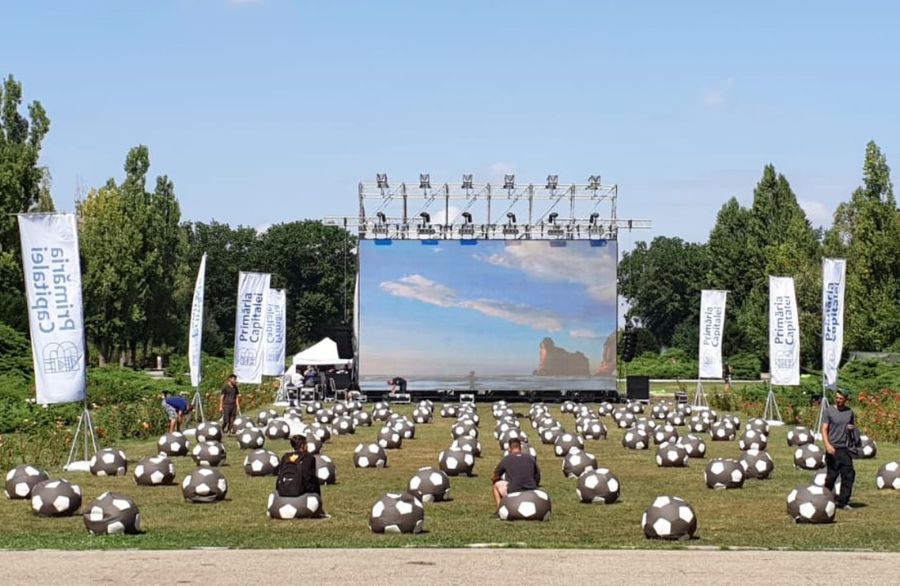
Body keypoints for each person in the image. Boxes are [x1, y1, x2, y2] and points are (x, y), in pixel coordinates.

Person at [822, 387, 857, 510]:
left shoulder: (850, 412)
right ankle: (823, 498)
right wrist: (827, 445)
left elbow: (852, 427)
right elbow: (824, 429)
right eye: (837, 398)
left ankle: (843, 502)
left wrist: (852, 430)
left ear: (846, 400)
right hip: (833, 448)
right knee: (832, 476)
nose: (838, 400)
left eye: (841, 398)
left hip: (845, 448)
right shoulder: (829, 411)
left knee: (848, 475)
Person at [275, 433, 324, 515]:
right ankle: (319, 510)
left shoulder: (285, 457)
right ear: (302, 445)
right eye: (306, 444)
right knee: (315, 481)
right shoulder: (309, 457)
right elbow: (309, 478)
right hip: (299, 489)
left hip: (283, 490)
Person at [491, 438, 541, 510]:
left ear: (509, 449)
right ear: (520, 448)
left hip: (514, 491)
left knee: (496, 485)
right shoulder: (531, 458)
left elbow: (495, 477)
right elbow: (537, 476)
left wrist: (497, 479)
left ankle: (500, 509)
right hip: (531, 490)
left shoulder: (507, 459)